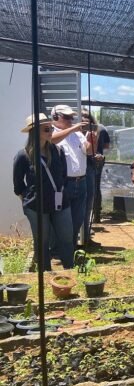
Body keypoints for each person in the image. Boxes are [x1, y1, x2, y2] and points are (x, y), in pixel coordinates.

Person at [13, 114, 74, 270]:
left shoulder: (58, 151)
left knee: (67, 238)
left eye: (51, 128)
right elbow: (18, 185)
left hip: (60, 203)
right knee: (42, 241)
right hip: (36, 206)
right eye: (46, 128)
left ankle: (71, 271)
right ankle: (45, 275)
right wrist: (29, 202)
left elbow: (64, 177)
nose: (51, 131)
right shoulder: (23, 155)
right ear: (34, 131)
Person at [50, 104, 91, 248]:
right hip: (63, 184)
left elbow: (88, 150)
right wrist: (73, 128)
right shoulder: (50, 132)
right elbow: (52, 140)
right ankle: (57, 249)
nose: (70, 120)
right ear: (55, 117)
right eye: (66, 117)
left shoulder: (78, 134)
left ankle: (70, 248)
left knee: (77, 219)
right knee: (61, 219)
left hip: (81, 181)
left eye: (71, 117)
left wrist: (92, 137)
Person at [81, 109, 110, 225]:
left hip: (93, 162)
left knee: (93, 189)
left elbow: (106, 145)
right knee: (92, 189)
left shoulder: (99, 129)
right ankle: (94, 217)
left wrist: (99, 154)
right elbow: (107, 146)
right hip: (90, 161)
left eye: (86, 116)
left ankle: (95, 216)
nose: (84, 119)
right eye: (82, 116)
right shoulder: (76, 131)